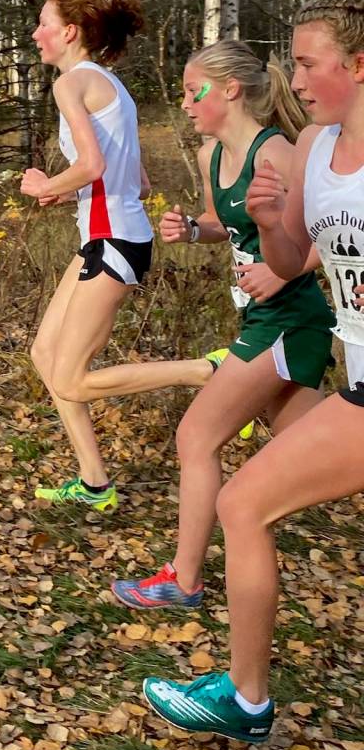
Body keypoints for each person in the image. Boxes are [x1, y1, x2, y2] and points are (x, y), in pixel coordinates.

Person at [142, 0, 364, 744]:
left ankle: (240, 687)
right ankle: (245, 698)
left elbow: (294, 274)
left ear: (359, 64)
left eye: (308, 65)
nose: (295, 84)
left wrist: (283, 269)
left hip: (295, 333)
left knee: (228, 482)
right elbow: (292, 253)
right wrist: (268, 228)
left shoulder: (283, 143)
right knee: (252, 495)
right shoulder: (310, 152)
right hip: (356, 378)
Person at [110, 39, 335, 609]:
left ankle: (183, 581)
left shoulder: (276, 153)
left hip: (289, 318)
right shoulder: (214, 156)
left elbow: (326, 235)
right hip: (262, 315)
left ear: (229, 90)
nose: (185, 103)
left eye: (193, 91)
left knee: (196, 435)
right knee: (313, 447)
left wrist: (281, 274)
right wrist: (194, 230)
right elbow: (222, 223)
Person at [20, 0, 239, 513]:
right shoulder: (111, 85)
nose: (36, 34)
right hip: (111, 236)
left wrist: (46, 184)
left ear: (69, 31)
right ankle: (95, 482)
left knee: (71, 378)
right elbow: (135, 182)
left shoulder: (71, 84)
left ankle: (209, 371)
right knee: (45, 356)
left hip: (113, 240)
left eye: (43, 24)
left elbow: (93, 167)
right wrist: (69, 192)